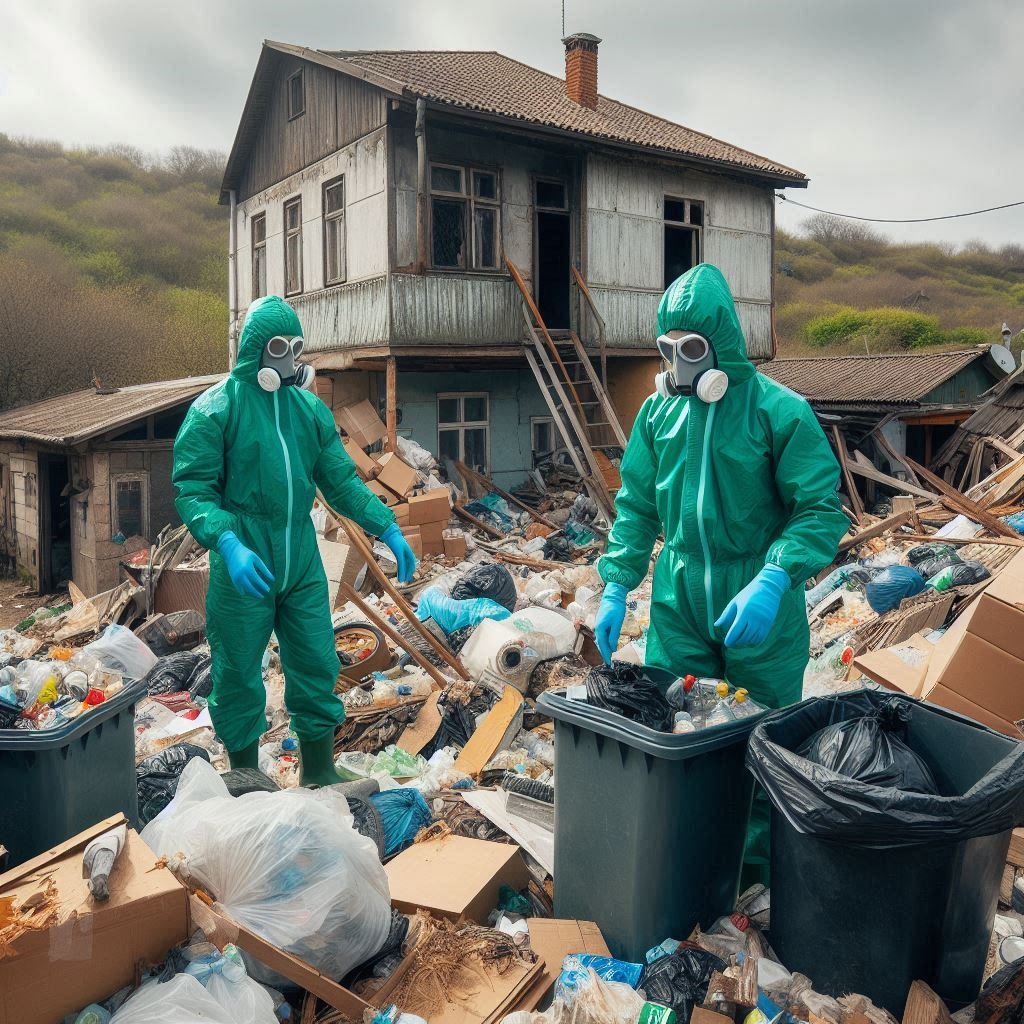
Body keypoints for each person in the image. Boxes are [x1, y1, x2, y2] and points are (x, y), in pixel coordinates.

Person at [594, 263, 848, 879]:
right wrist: (616, 582)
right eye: (666, 348)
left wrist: (775, 577)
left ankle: (752, 879)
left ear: (723, 345)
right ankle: (686, 864)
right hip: (680, 598)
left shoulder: (777, 413)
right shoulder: (659, 416)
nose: (677, 363)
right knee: (675, 735)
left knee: (761, 744)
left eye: (691, 348)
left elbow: (818, 508)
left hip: (758, 599)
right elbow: (636, 504)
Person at [172, 295, 417, 786]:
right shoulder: (215, 410)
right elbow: (193, 490)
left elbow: (341, 482)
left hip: (300, 558)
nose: (289, 362)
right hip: (246, 558)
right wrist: (227, 543)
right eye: (279, 348)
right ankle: (245, 777)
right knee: (239, 671)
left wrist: (386, 523)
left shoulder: (308, 411)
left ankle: (319, 771)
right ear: (255, 352)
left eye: (296, 348)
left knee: (316, 659)